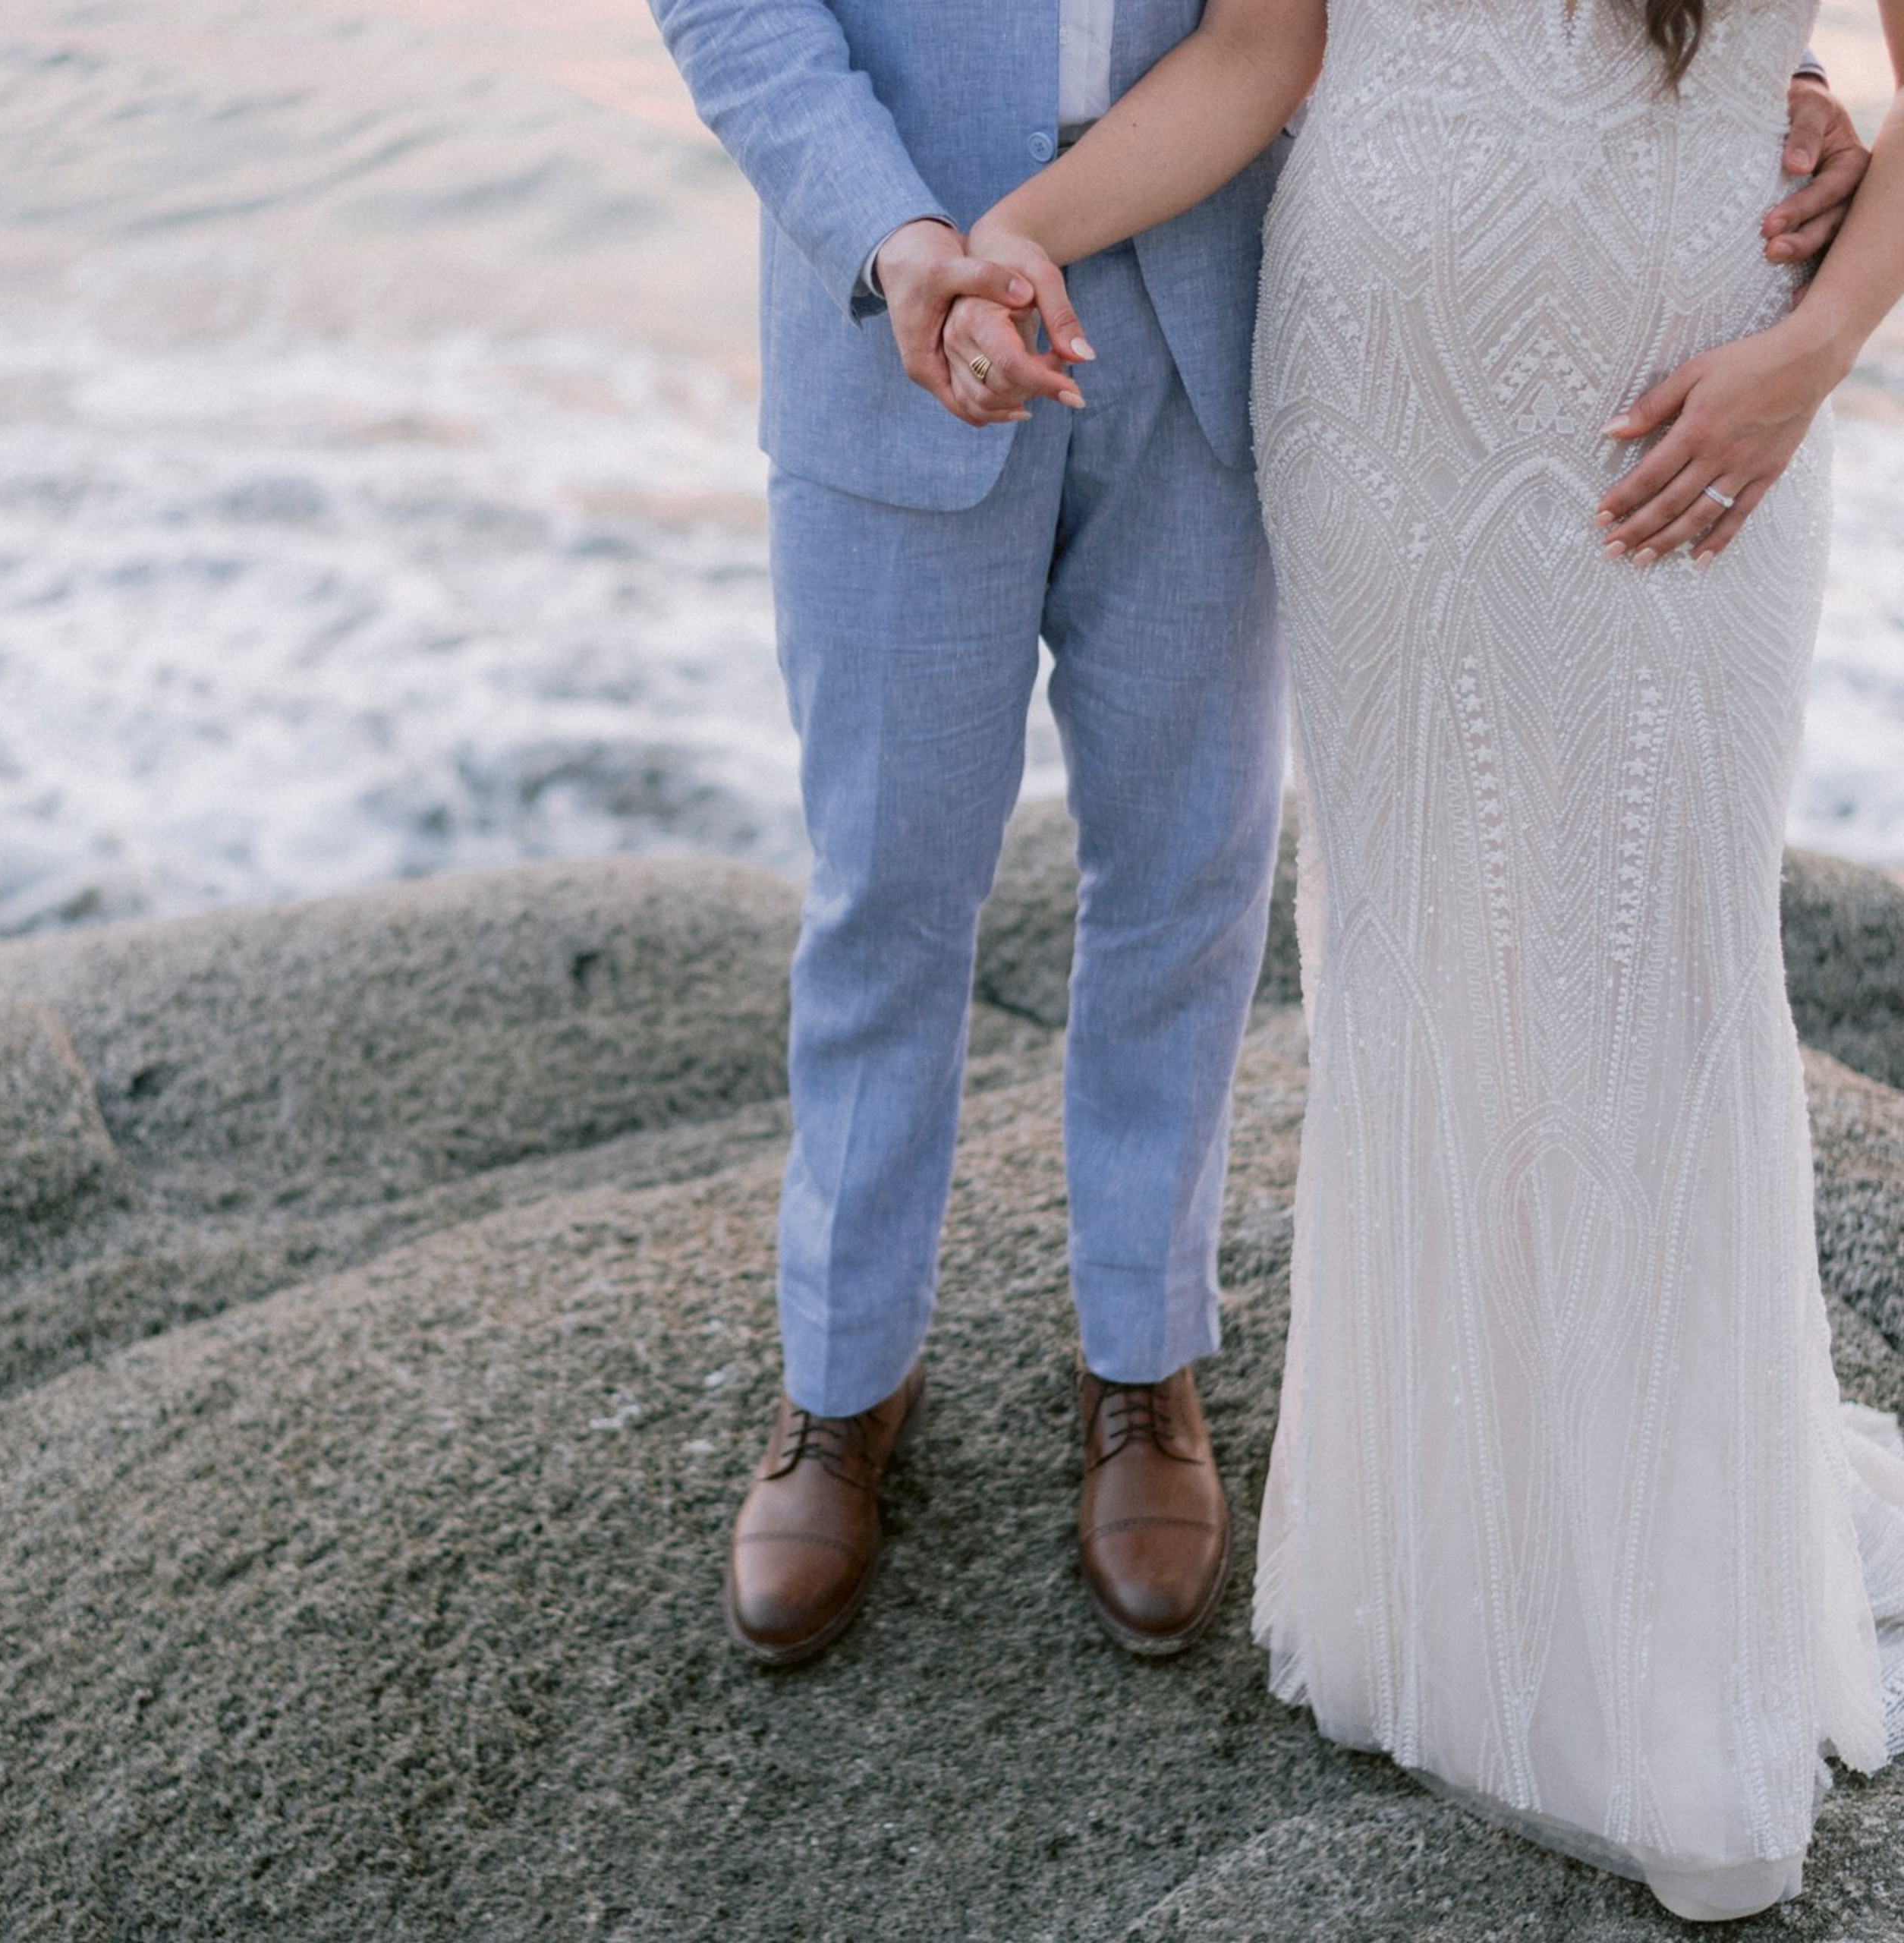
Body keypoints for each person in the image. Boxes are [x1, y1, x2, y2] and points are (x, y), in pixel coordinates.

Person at [644, 0, 1868, 1675]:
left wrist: (1760, 75)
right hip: (900, 312)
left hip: (1226, 312)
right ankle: (840, 1382)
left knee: (1191, 875)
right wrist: (902, 235)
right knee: (887, 888)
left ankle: (1140, 1362)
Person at [951, 0, 1904, 1919]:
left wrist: (1807, 359)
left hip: (1698, 388)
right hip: (1374, 386)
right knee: (1424, 956)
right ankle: (1452, 1594)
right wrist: (1018, 231)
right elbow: (1259, 49)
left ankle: (1661, 1646)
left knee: (1658, 971)